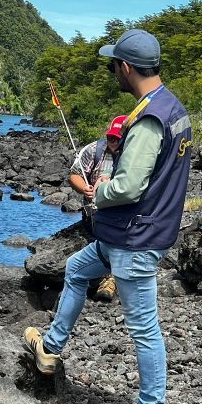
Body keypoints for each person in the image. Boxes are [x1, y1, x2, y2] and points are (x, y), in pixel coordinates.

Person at [24, 29, 193, 404]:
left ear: (127, 67)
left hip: (136, 236)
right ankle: (51, 345)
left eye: (113, 64)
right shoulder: (172, 108)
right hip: (126, 233)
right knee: (78, 268)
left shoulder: (150, 118)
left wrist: (99, 191)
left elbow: (129, 187)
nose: (112, 70)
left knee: (144, 327)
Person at [70, 115, 127, 301]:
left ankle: (110, 278)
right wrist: (84, 188)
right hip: (94, 210)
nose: (113, 141)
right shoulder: (93, 150)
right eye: (110, 137)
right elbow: (74, 175)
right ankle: (109, 278)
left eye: (117, 138)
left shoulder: (135, 154)